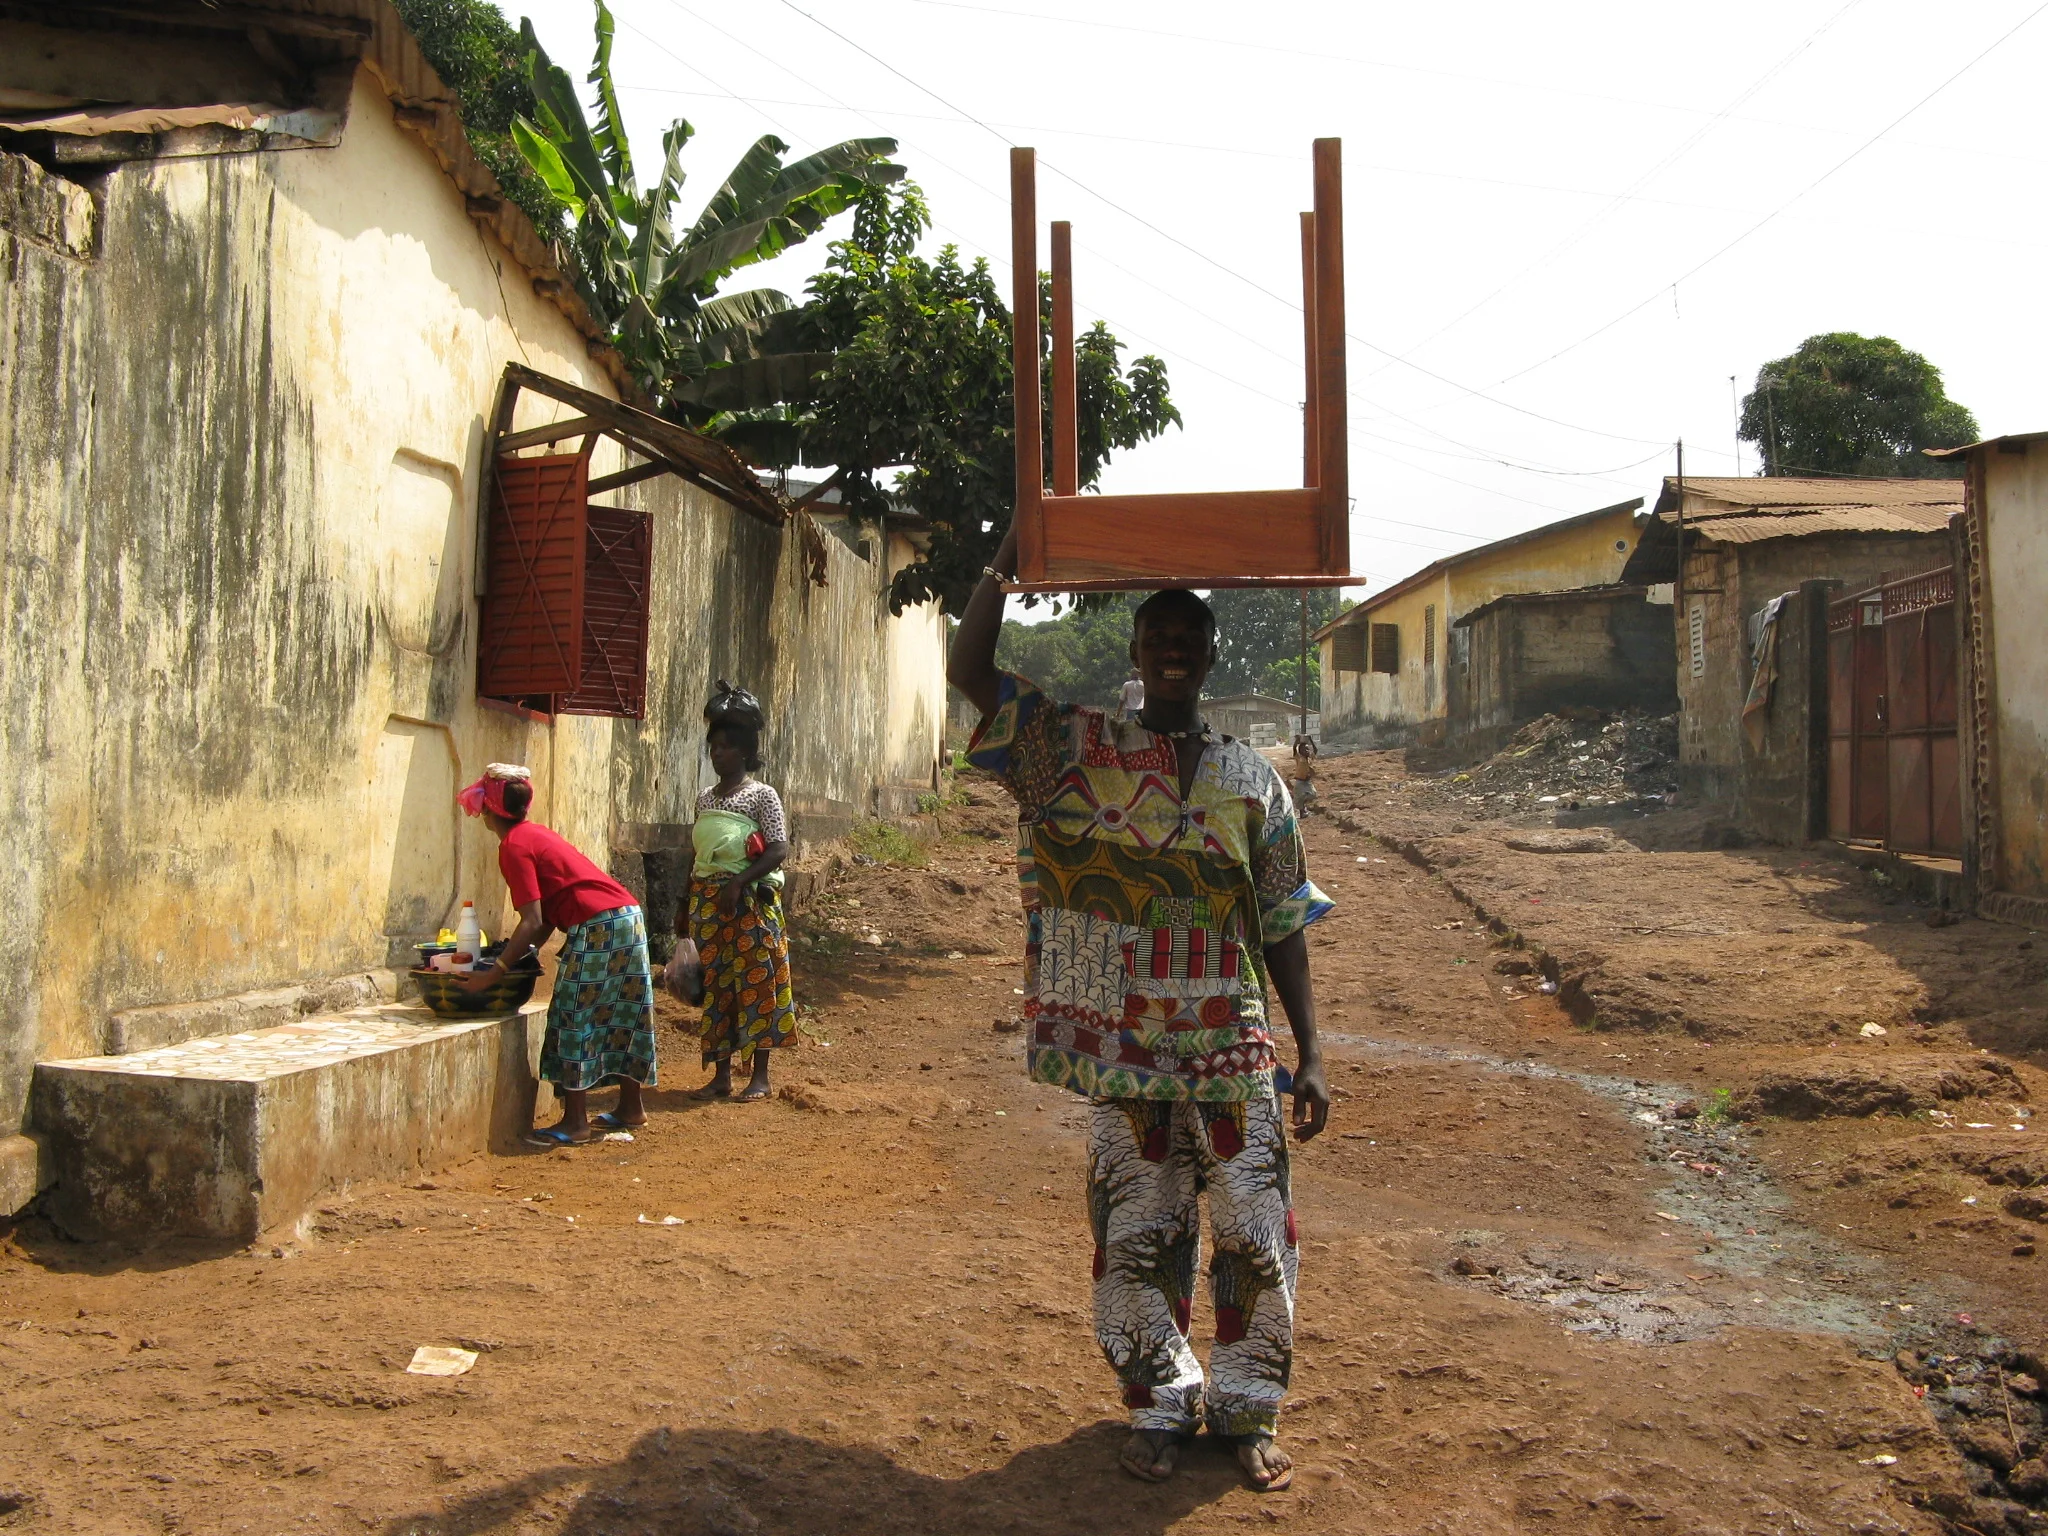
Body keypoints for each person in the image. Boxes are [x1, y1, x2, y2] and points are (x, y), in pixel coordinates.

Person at [948, 527, 1333, 1493]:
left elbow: (1283, 919)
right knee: (1138, 1229)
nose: (1170, 650)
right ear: (1134, 653)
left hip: (1229, 1042)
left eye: (1186, 637)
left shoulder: (1254, 780)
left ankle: (1249, 1409)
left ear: (1209, 656)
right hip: (1123, 1047)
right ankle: (1161, 1400)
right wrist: (1006, 554)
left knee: (1255, 1226)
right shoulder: (1078, 751)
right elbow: (969, 669)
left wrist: (1312, 1051)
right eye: (1155, 634)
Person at [456, 763, 656, 1146]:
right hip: (626, 916)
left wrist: (493, 972)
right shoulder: (537, 834)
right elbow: (546, 915)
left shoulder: (513, 847)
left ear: (487, 809)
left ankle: (575, 1122)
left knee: (573, 1013)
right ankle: (631, 1106)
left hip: (597, 925)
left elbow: (531, 920)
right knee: (625, 1010)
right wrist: (520, 955)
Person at [664, 682, 794, 1103]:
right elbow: (697, 854)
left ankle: (759, 1077)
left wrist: (739, 882)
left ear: (742, 753)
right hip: (708, 904)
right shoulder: (704, 799)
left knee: (757, 982)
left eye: (724, 747)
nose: (716, 754)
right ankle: (720, 1076)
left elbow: (778, 847)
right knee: (716, 987)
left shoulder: (762, 796)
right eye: (713, 747)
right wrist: (685, 906)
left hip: (750, 904)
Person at [1289, 734, 1319, 811]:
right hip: (1299, 781)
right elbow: (1294, 749)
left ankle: (1303, 804)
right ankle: (1302, 811)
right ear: (1300, 751)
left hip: (1307, 781)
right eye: (1303, 749)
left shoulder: (1309, 758)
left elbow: (1315, 750)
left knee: (1313, 795)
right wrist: (1297, 740)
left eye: (1307, 749)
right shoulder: (1299, 758)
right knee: (1298, 799)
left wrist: (1310, 740)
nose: (1306, 751)